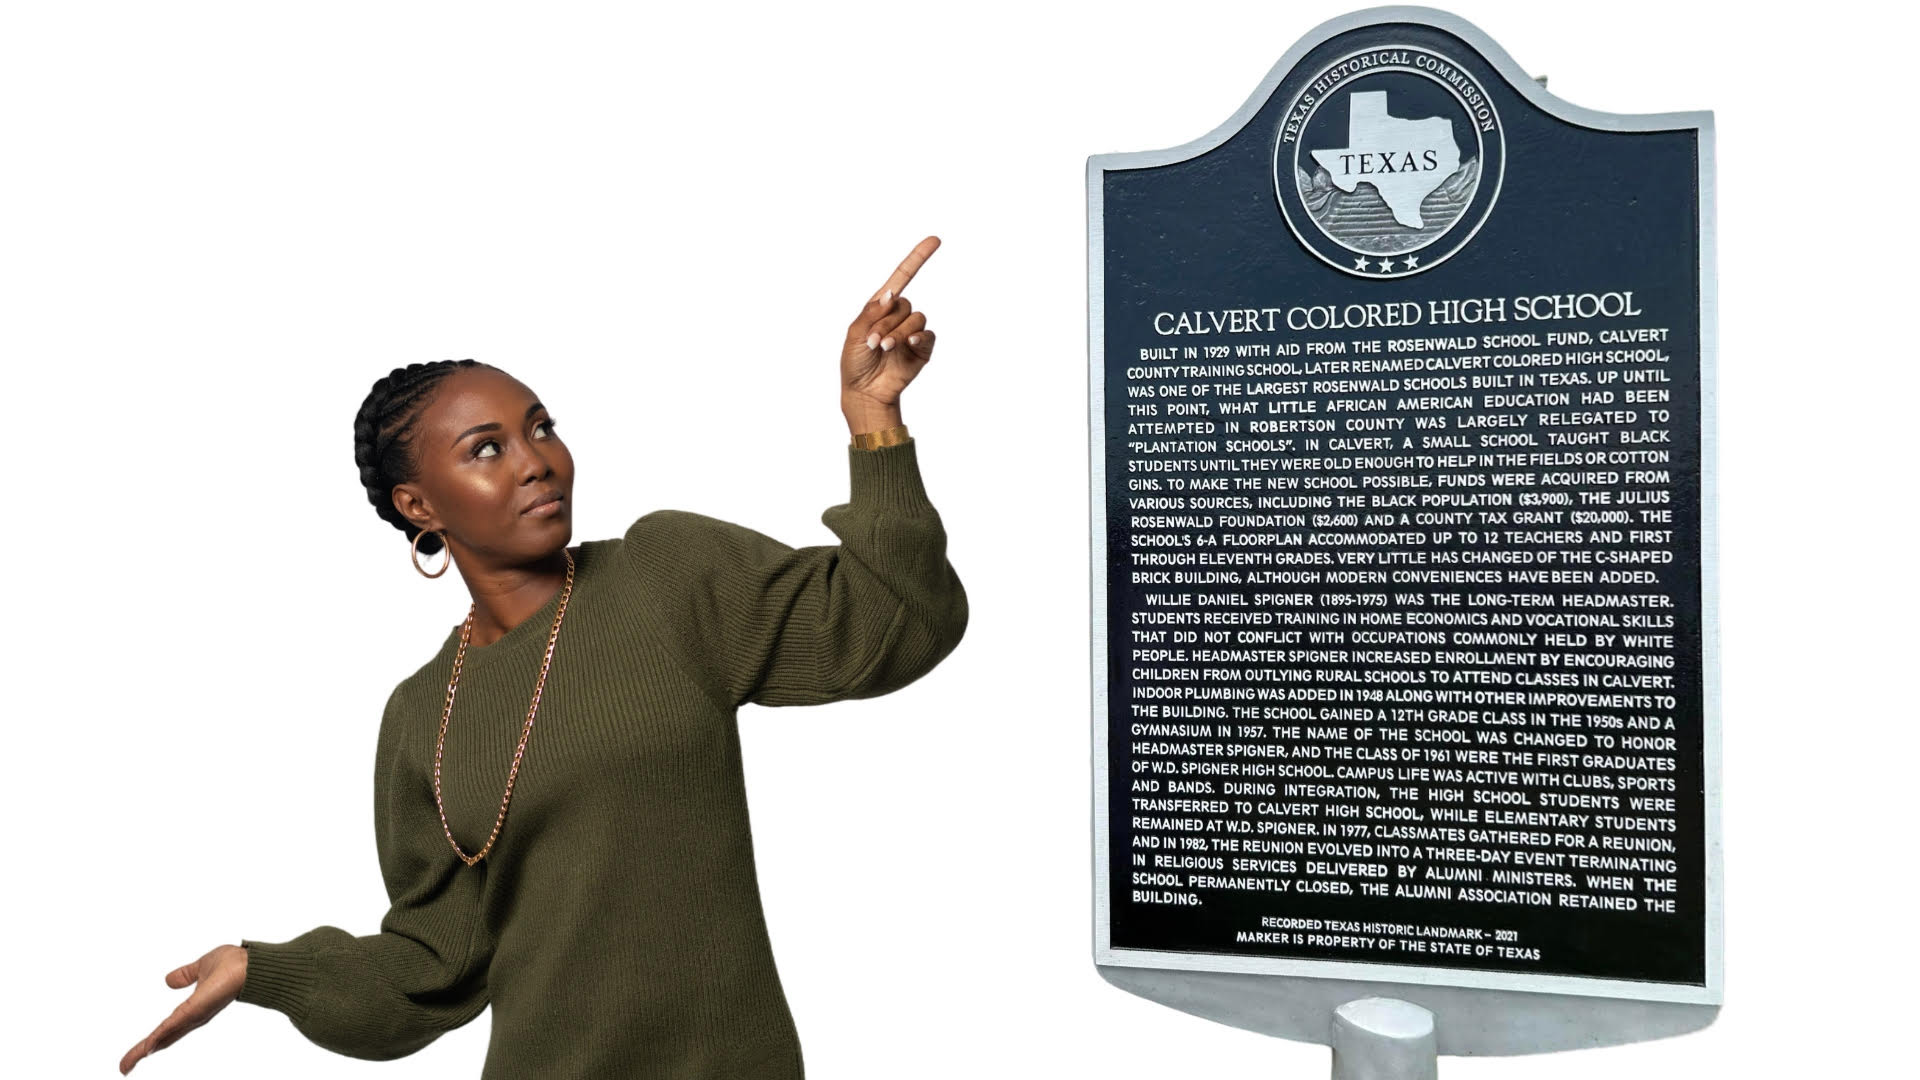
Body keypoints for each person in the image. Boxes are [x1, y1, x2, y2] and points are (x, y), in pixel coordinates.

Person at [120, 237, 967, 1078]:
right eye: (486, 449)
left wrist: (874, 420)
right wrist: (262, 970)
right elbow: (428, 971)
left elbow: (898, 623)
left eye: (541, 429)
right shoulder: (424, 715)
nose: (536, 462)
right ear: (419, 505)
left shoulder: (666, 573)